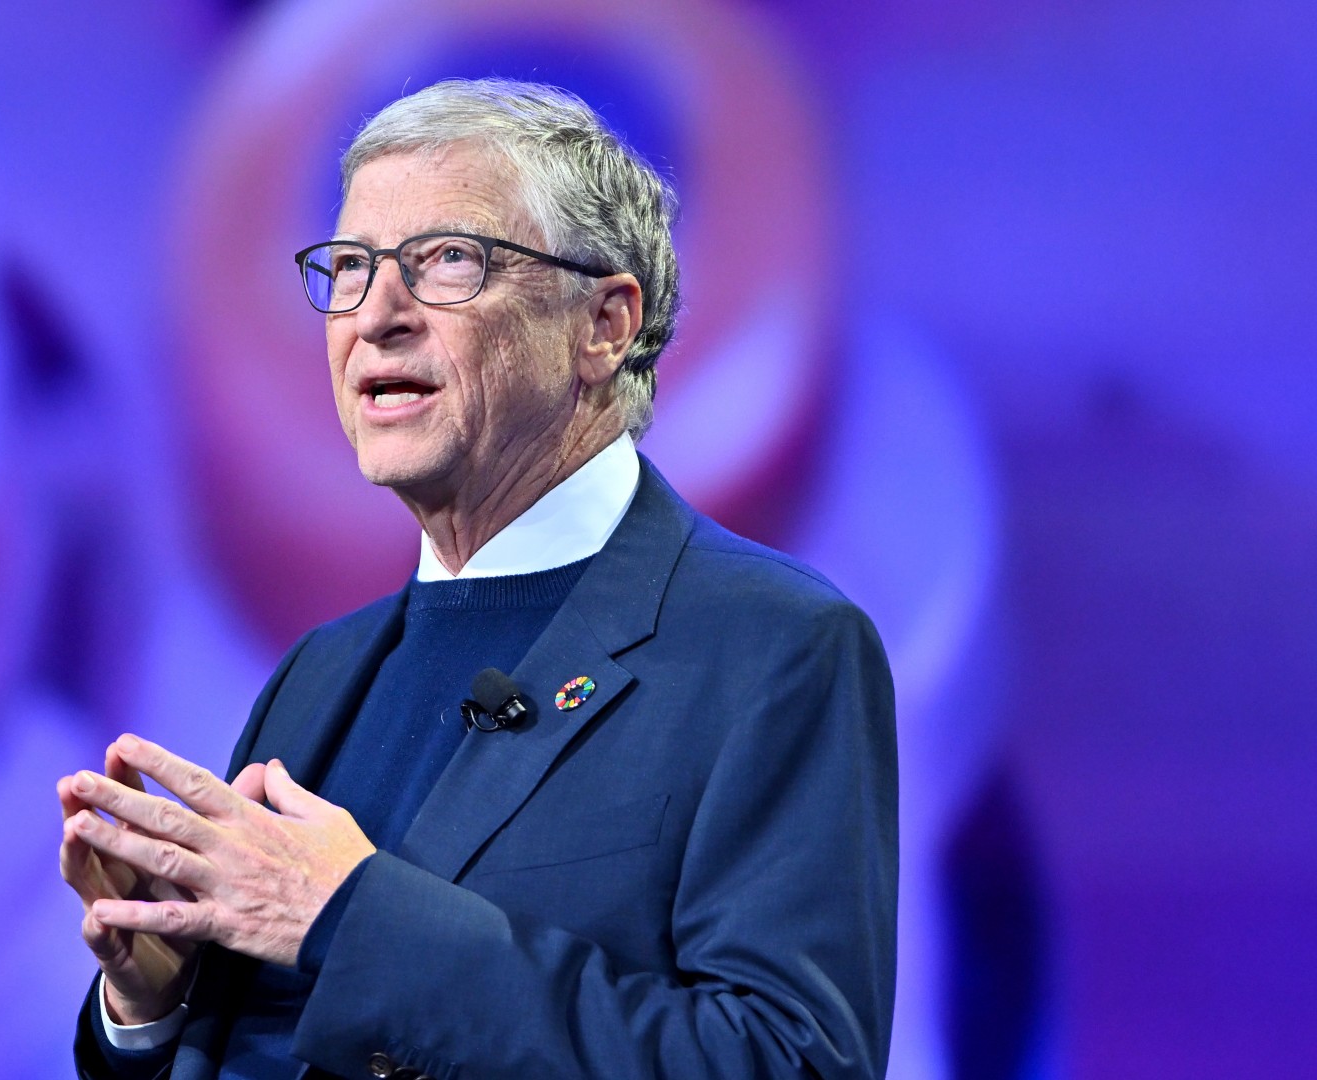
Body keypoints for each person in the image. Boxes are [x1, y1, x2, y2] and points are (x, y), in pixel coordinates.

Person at [58, 78, 896, 1080]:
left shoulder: (773, 648)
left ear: (604, 324)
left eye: (447, 261)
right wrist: (153, 1010)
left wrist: (353, 920)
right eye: (352, 268)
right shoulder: (318, 674)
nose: (376, 316)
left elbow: (787, 1063)